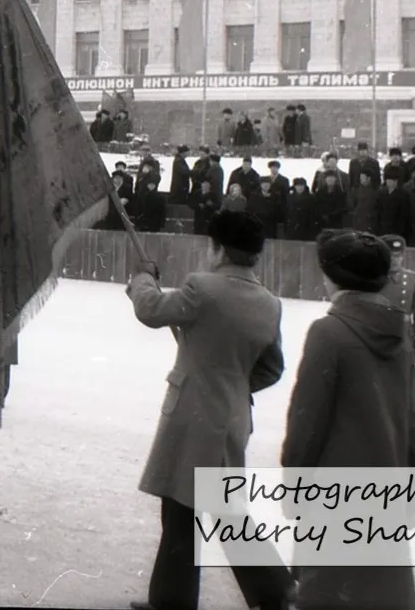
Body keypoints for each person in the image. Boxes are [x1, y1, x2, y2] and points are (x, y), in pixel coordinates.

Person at [125, 210, 292, 610]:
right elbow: (272, 368)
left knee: (183, 511)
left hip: (192, 416)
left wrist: (142, 276)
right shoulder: (270, 303)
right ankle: (275, 593)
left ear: (217, 249)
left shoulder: (203, 288)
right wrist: (233, 384)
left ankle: (175, 600)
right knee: (224, 510)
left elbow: (151, 310)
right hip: (232, 417)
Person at [282, 230, 415, 610]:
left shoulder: (328, 331)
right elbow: (412, 418)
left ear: (332, 278)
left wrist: (294, 482)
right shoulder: (400, 334)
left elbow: (307, 420)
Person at [380, 235, 415, 370]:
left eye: (398, 256)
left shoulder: (413, 279)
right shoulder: (372, 278)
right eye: (391, 255)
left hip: (404, 343)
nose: (395, 260)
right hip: (377, 339)